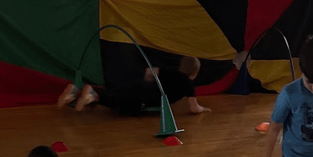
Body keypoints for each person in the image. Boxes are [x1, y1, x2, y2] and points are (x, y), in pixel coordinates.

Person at [58, 54, 210, 116]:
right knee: (121, 105)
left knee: (117, 93)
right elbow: (193, 107)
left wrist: (148, 80)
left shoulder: (169, 72)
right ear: (194, 74)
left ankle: (75, 92)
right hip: (147, 97)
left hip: (142, 86)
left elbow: (151, 71)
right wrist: (203, 109)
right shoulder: (188, 83)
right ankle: (92, 95)